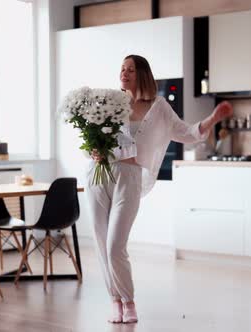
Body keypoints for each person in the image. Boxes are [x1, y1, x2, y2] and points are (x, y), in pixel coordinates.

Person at [84, 54, 233, 324]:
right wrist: (92, 150)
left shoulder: (159, 107)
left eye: (130, 69)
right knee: (100, 242)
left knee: (116, 245)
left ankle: (129, 301)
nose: (124, 73)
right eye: (121, 69)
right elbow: (91, 139)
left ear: (142, 74)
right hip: (98, 176)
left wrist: (211, 119)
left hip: (129, 177)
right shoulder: (109, 102)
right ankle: (114, 301)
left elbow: (186, 133)